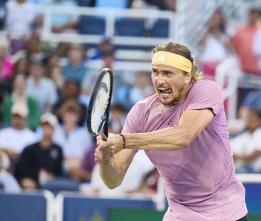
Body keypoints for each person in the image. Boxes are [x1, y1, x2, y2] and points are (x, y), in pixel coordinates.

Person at [95, 42, 248, 221]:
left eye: (168, 73)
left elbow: (183, 135)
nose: (160, 80)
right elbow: (114, 180)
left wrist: (123, 141)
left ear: (187, 76)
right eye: (155, 72)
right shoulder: (141, 113)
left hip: (226, 212)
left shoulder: (206, 91)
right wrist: (106, 159)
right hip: (180, 214)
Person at [15, 112, 63, 190]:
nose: (47, 129)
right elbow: (21, 168)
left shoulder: (58, 149)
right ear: (41, 127)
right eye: (45, 126)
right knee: (28, 185)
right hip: (30, 183)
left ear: (54, 129)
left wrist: (52, 177)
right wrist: (35, 177)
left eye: (50, 126)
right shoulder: (29, 148)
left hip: (50, 185)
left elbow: (59, 171)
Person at [231, 90, 261, 173]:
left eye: (253, 117)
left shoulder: (259, 133)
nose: (250, 119)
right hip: (244, 174)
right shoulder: (244, 135)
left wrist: (236, 157)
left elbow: (254, 156)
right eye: (249, 116)